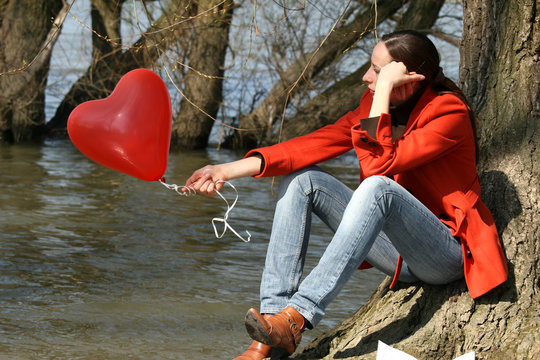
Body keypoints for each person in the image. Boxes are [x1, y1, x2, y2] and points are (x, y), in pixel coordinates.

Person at [184, 30, 508, 359]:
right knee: (302, 179)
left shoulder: (447, 113)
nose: (367, 77)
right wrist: (226, 169)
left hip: (443, 252)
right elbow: (315, 144)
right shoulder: (377, 106)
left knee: (377, 187)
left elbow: (378, 166)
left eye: (378, 71)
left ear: (409, 76)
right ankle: (270, 335)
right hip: (396, 251)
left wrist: (382, 91)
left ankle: (297, 317)